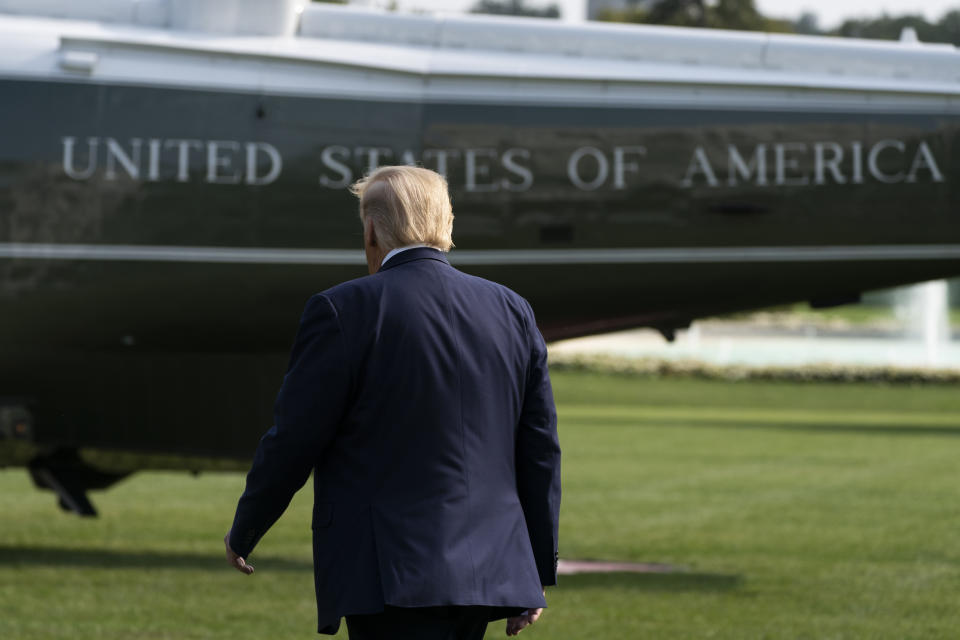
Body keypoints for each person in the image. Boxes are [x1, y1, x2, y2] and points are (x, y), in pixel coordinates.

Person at [223, 166, 561, 639]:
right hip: (489, 570)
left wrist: (247, 528)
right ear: (447, 223)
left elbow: (295, 438)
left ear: (371, 229)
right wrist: (535, 573)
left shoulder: (342, 309)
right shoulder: (511, 309)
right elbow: (539, 450)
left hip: (389, 571)